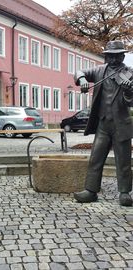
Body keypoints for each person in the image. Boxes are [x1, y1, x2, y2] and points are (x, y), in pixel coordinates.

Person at [74, 40, 133, 206]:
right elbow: (79, 71)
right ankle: (91, 191)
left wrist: (129, 91)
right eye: (110, 56)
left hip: (121, 124)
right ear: (106, 56)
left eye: (117, 56)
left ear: (122, 56)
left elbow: (131, 102)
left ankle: (124, 193)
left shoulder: (130, 73)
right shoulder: (99, 71)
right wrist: (82, 79)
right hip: (103, 124)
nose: (114, 60)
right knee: (95, 158)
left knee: (123, 161)